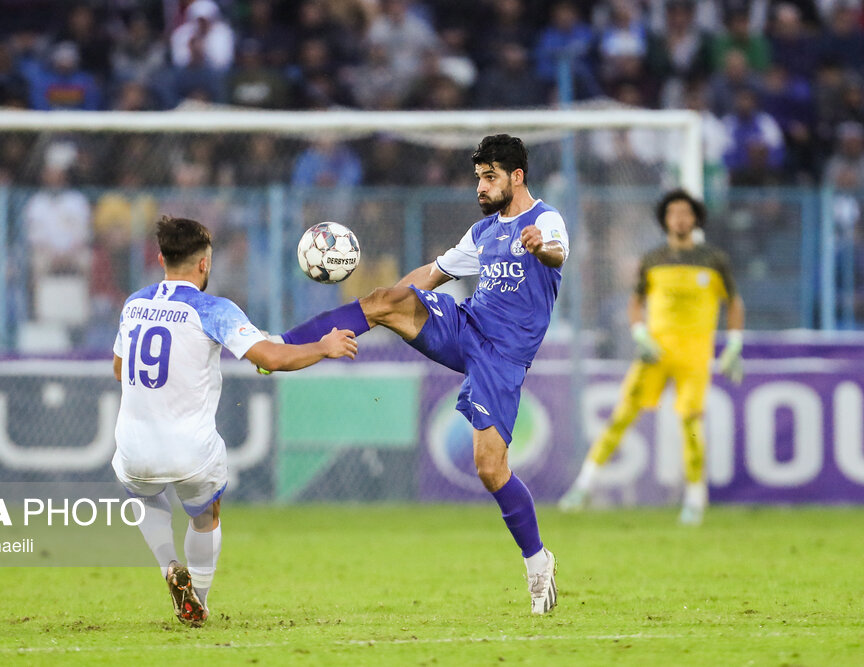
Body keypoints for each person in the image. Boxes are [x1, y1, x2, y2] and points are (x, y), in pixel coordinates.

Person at [276, 135, 568, 615]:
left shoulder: (545, 219)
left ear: (517, 177)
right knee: (383, 299)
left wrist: (541, 248)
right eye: (478, 177)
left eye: (490, 177)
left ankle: (539, 564)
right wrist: (384, 306)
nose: (480, 186)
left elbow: (557, 251)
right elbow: (432, 274)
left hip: (503, 357)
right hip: (467, 326)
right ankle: (284, 344)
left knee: (489, 468)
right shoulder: (483, 233)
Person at [112, 216, 357, 627]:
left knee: (145, 496)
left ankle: (168, 565)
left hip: (133, 448)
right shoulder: (213, 309)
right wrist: (324, 346)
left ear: (161, 259)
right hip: (190, 451)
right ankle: (199, 600)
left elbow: (120, 370)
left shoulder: (134, 304)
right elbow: (271, 359)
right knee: (205, 514)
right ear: (204, 264)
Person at [558, 189, 745, 525]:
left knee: (691, 423)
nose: (680, 219)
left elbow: (733, 302)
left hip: (694, 354)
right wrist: (640, 334)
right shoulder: (653, 260)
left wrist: (734, 344)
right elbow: (635, 302)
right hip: (655, 353)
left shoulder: (714, 260)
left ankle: (695, 499)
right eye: (674, 213)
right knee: (622, 416)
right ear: (665, 220)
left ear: (696, 219)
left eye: (686, 213)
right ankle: (583, 486)